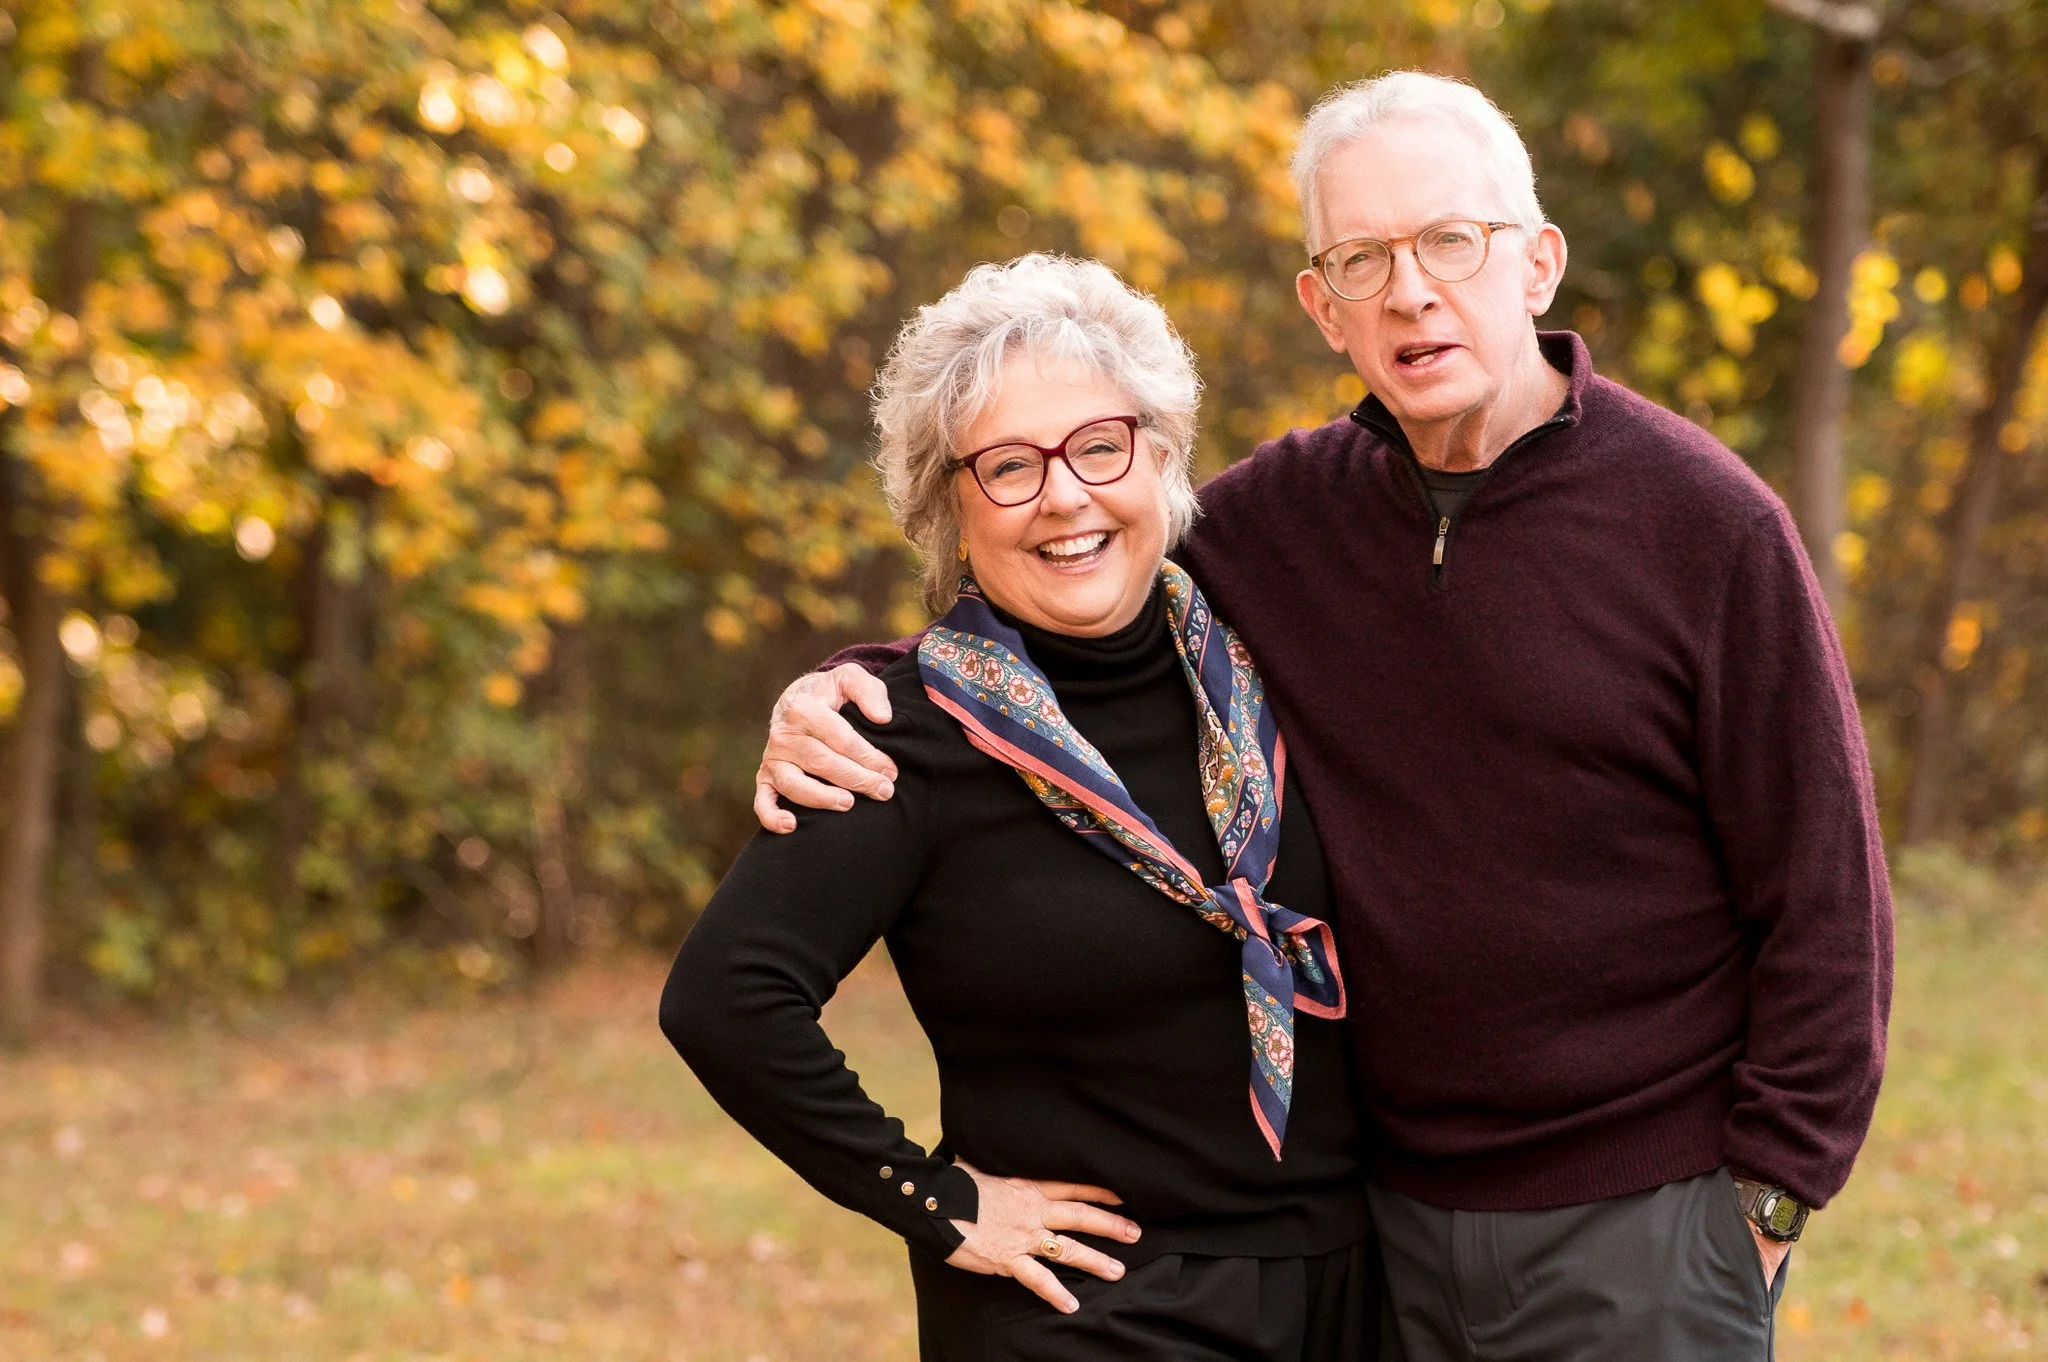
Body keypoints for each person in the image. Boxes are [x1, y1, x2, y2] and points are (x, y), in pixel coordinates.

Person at [751, 72, 1893, 1361]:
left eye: (1450, 242)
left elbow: (1824, 893)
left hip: (1642, 1218)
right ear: (1321, 306)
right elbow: (1071, 574)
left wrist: (1767, 1198)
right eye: (1362, 258)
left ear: (1536, 264)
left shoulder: (1706, 526)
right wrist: (854, 682)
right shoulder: (1267, 524)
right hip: (1382, 1226)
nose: (1410, 291)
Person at [662, 254, 1382, 1362]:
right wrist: (935, 1200)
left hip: (1345, 1292)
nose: (1064, 494)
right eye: (1006, 466)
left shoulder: (1271, 663)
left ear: (1159, 456)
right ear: (946, 503)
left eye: (1099, 445)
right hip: (1091, 1314)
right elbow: (726, 999)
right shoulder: (900, 734)